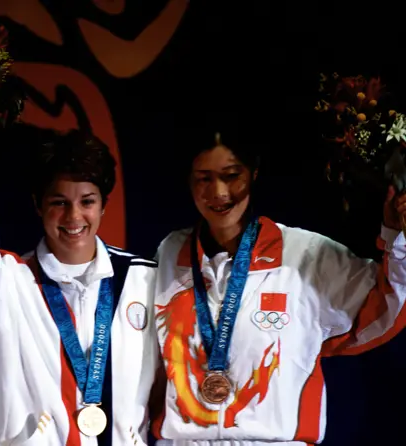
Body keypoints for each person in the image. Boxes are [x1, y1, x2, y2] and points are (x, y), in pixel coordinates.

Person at [151, 116, 406, 445]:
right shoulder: (169, 255)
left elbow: (387, 306)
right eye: (204, 179)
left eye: (232, 176)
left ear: (253, 173)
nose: (218, 192)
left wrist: (396, 237)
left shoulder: (306, 256)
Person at [0, 112, 159, 445]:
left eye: (87, 202)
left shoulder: (143, 279)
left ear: (104, 205)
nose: (74, 216)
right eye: (59, 202)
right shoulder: (10, 284)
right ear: (38, 205)